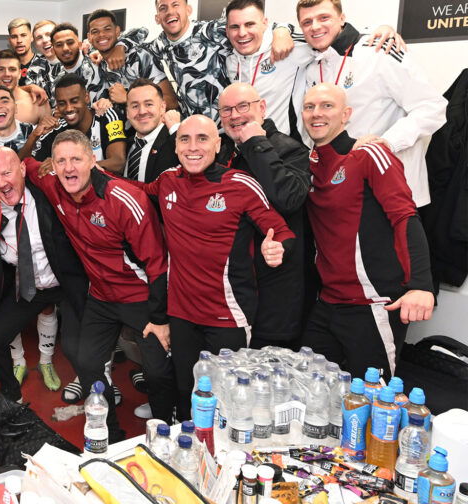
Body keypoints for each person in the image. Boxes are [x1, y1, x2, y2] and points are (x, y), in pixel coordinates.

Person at [19, 130, 174, 436]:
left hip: (139, 295)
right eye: (60, 161)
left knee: (157, 371)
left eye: (76, 159)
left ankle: (165, 423)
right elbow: (23, 163)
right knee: (85, 360)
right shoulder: (53, 183)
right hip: (101, 296)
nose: (68, 168)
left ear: (93, 160)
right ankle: (111, 433)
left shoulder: (122, 199)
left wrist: (160, 319)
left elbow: (158, 263)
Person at [141, 115, 294, 417]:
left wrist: (276, 248)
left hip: (228, 316)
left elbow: (283, 232)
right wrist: (91, 170)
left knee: (227, 400)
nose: (193, 147)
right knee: (186, 391)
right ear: (176, 146)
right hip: (181, 314)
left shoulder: (240, 184)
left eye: (202, 139)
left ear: (217, 144)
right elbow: (138, 192)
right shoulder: (168, 181)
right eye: (185, 139)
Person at [300, 83, 434, 379]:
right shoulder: (308, 165)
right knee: (310, 391)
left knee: (372, 402)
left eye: (326, 106)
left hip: (374, 304)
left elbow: (405, 217)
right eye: (309, 107)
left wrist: (421, 285)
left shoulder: (368, 153)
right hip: (327, 302)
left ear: (346, 114)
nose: (316, 113)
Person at [296, 0, 446, 206]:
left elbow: (432, 107)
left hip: (389, 187)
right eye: (307, 22)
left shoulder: (379, 50)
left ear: (342, 18)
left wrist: (386, 143)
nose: (315, 26)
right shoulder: (313, 64)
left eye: (324, 17)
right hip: (340, 187)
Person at [0, 147, 88, 402]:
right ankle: (12, 396)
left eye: (7, 173)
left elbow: (73, 174)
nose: (2, 183)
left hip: (67, 281)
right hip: (29, 286)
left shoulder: (46, 193)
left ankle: (97, 380)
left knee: (81, 349)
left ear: (21, 170)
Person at [216, 82, 310, 348]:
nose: (234, 115)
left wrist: (257, 143)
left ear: (262, 108)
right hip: (235, 291)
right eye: (226, 110)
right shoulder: (224, 151)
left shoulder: (288, 148)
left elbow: (289, 198)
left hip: (275, 292)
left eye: (243, 106)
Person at [144, 0, 292, 125]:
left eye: (175, 5)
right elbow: (136, 41)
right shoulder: (158, 46)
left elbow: (262, 26)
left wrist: (281, 32)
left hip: (229, 125)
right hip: (193, 128)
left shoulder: (211, 31)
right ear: (157, 18)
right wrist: (120, 46)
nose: (170, 11)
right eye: (163, 8)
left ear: (188, 10)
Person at [224, 0, 314, 138]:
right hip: (249, 149)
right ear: (227, 30)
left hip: (287, 151)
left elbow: (324, 39)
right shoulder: (231, 61)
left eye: (249, 24)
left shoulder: (287, 49)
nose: (242, 33)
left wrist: (283, 29)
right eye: (235, 27)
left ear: (265, 23)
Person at [34, 73, 127, 174]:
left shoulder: (107, 116)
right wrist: (34, 135)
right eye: (62, 103)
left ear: (86, 97)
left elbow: (118, 163)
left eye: (74, 101)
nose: (68, 108)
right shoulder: (57, 127)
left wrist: (65, 166)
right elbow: (26, 165)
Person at [123, 78, 179, 181]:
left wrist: (176, 132)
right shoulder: (124, 146)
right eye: (135, 106)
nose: (142, 111)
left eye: (148, 104)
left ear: (162, 107)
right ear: (127, 112)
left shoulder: (176, 142)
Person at [0, 50, 45, 125]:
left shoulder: (38, 103)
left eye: (12, 69)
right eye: (1, 69)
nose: (7, 74)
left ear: (20, 73)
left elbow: (51, 133)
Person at [49, 23, 114, 109]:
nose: (65, 48)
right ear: (53, 50)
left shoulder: (99, 62)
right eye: (59, 45)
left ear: (79, 45)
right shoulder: (55, 78)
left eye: (70, 42)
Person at [7, 18, 35, 83]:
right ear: (9, 40)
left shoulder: (44, 64)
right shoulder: (5, 64)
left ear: (31, 37)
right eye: (14, 37)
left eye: (23, 35)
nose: (19, 41)